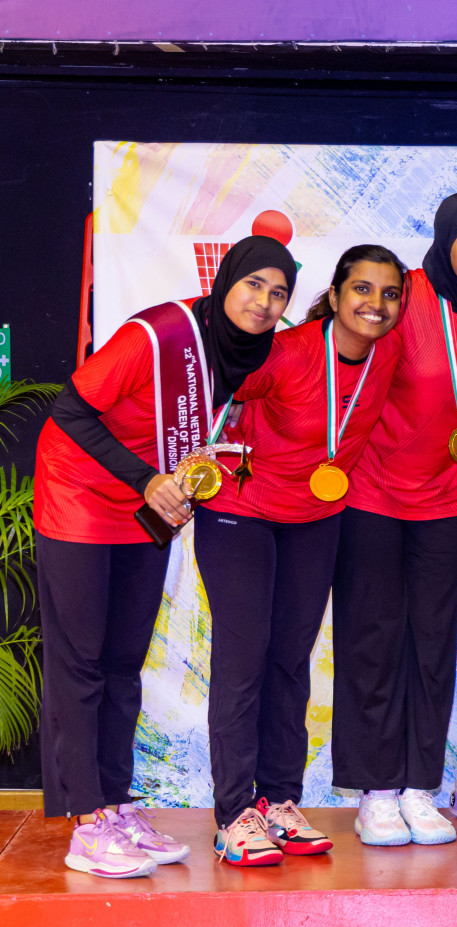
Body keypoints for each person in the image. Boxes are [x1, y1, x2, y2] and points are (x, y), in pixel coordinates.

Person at [36, 234, 295, 876]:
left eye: (278, 293)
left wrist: (156, 487)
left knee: (123, 661)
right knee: (81, 660)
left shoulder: (244, 354)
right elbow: (70, 409)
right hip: (81, 493)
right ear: (225, 280)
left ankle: (116, 803)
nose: (263, 303)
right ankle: (86, 821)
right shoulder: (158, 334)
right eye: (253, 285)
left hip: (142, 508)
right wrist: (145, 478)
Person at [197, 246, 406, 866]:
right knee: (244, 660)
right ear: (336, 294)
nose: (375, 304)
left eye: (389, 293)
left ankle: (279, 801)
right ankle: (234, 814)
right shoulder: (285, 355)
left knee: (290, 662)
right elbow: (210, 389)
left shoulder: (387, 353)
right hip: (241, 514)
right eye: (362, 289)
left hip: (315, 519)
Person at [332, 192, 457, 846]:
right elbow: (344, 368)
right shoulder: (403, 295)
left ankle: (420, 787)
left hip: (446, 496)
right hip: (373, 492)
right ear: (445, 241)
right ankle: (376, 791)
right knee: (373, 640)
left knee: (433, 641)